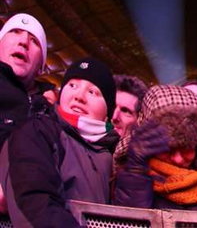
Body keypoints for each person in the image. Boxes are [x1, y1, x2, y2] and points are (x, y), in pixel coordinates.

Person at [0, 57, 119, 227]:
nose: (79, 96)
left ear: (108, 112)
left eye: (92, 92)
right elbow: (35, 203)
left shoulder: (114, 155)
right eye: (72, 85)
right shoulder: (38, 132)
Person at [0, 13, 53, 145]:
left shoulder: (52, 118)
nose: (23, 42)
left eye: (34, 40)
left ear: (41, 68)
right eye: (15, 32)